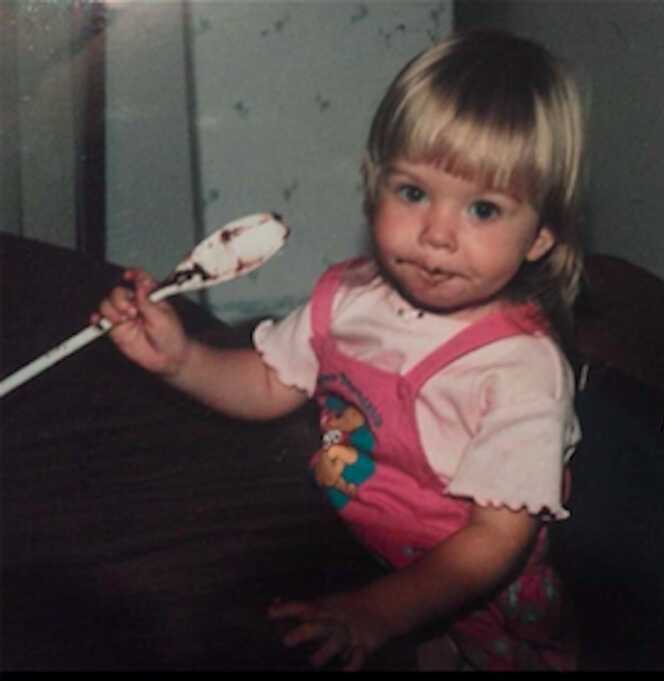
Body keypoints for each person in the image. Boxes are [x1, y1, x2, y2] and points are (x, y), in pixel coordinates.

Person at [95, 28, 587, 671]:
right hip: (363, 552)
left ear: (541, 236)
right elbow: (271, 384)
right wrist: (182, 359)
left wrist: (379, 612)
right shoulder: (350, 299)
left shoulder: (520, 370)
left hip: (476, 605)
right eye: (413, 193)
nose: (437, 234)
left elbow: (495, 541)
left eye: (484, 210)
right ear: (373, 184)